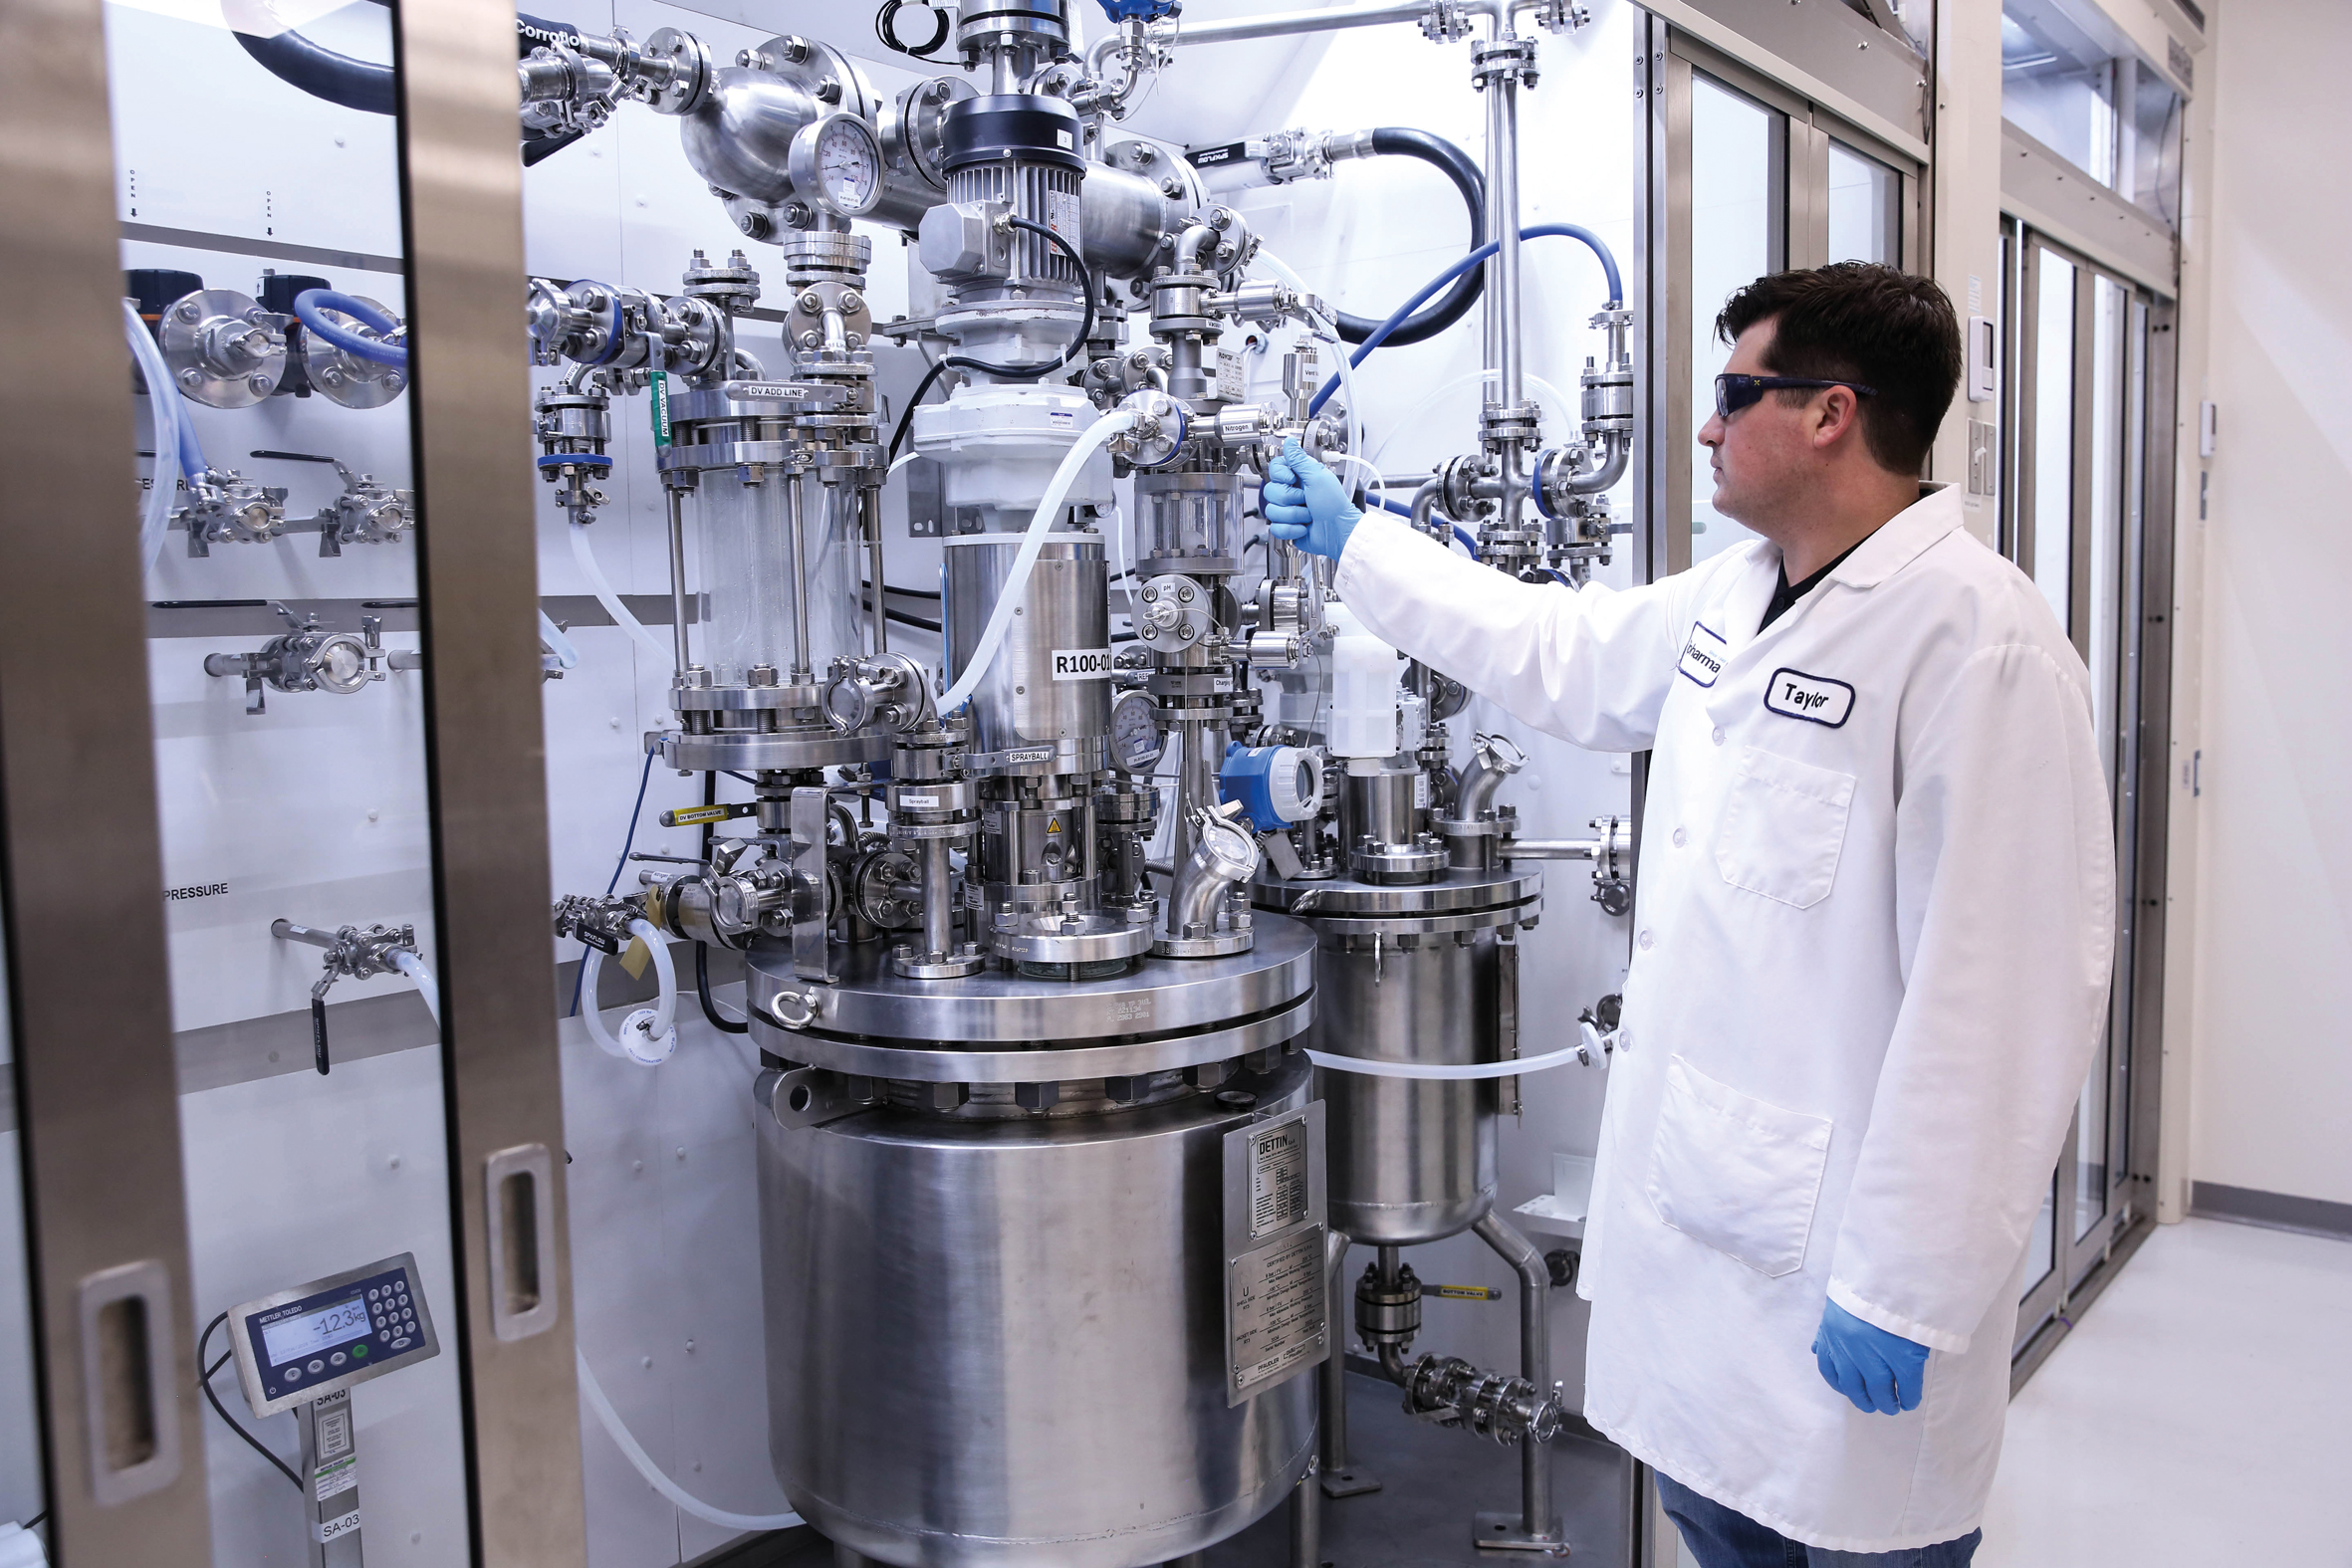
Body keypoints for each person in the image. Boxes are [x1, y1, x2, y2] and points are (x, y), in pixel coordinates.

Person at [1263, 263, 2115, 1565]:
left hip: (1842, 1272)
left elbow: (1998, 1010)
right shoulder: (1735, 593)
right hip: (1707, 1258)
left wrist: (1908, 1287)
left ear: (1828, 413)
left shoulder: (1976, 643)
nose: (1708, 428)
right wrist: (1361, 543)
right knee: (1716, 1523)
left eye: (1734, 395)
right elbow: (1555, 649)